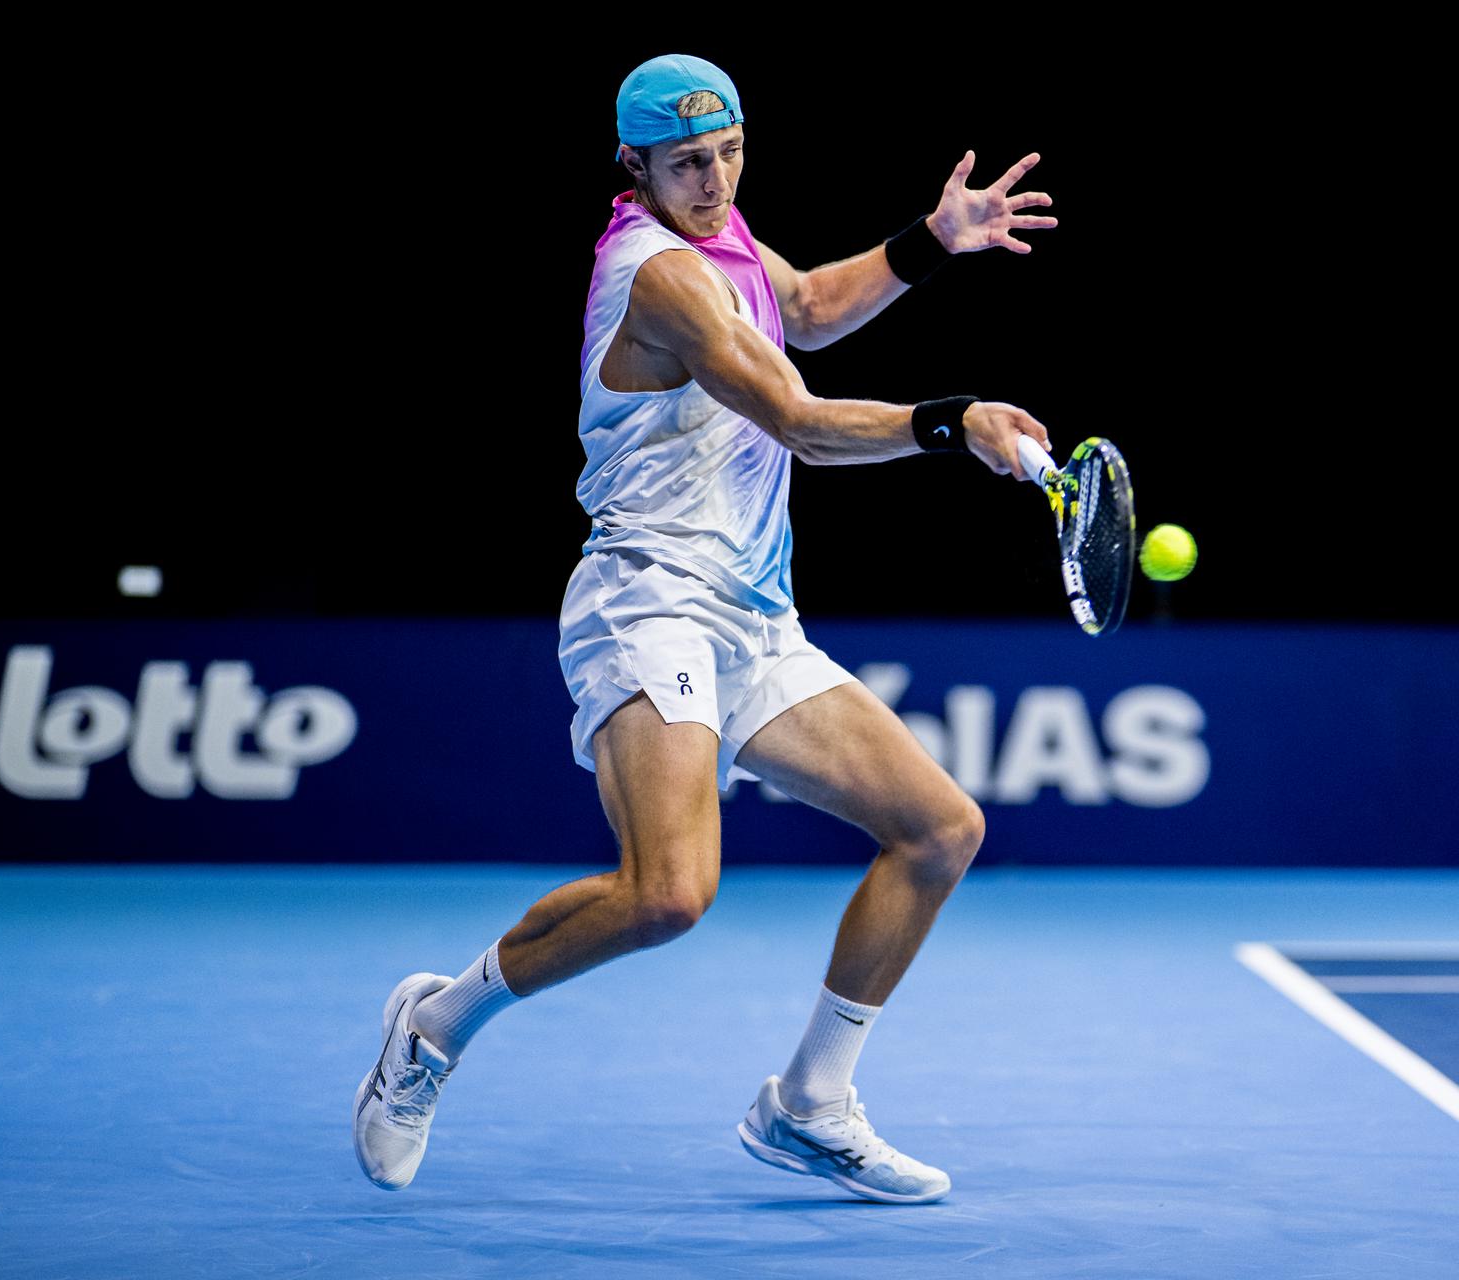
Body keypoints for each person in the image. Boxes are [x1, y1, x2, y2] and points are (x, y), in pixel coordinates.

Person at [353, 53, 1058, 1205]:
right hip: (647, 598)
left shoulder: (728, 243)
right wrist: (952, 422)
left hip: (750, 614)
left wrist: (932, 239)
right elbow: (800, 418)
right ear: (631, 166)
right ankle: (434, 1020)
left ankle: (811, 1102)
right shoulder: (660, 276)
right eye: (688, 162)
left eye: (731, 151)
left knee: (938, 828)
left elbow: (812, 311)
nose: (716, 177)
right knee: (668, 893)